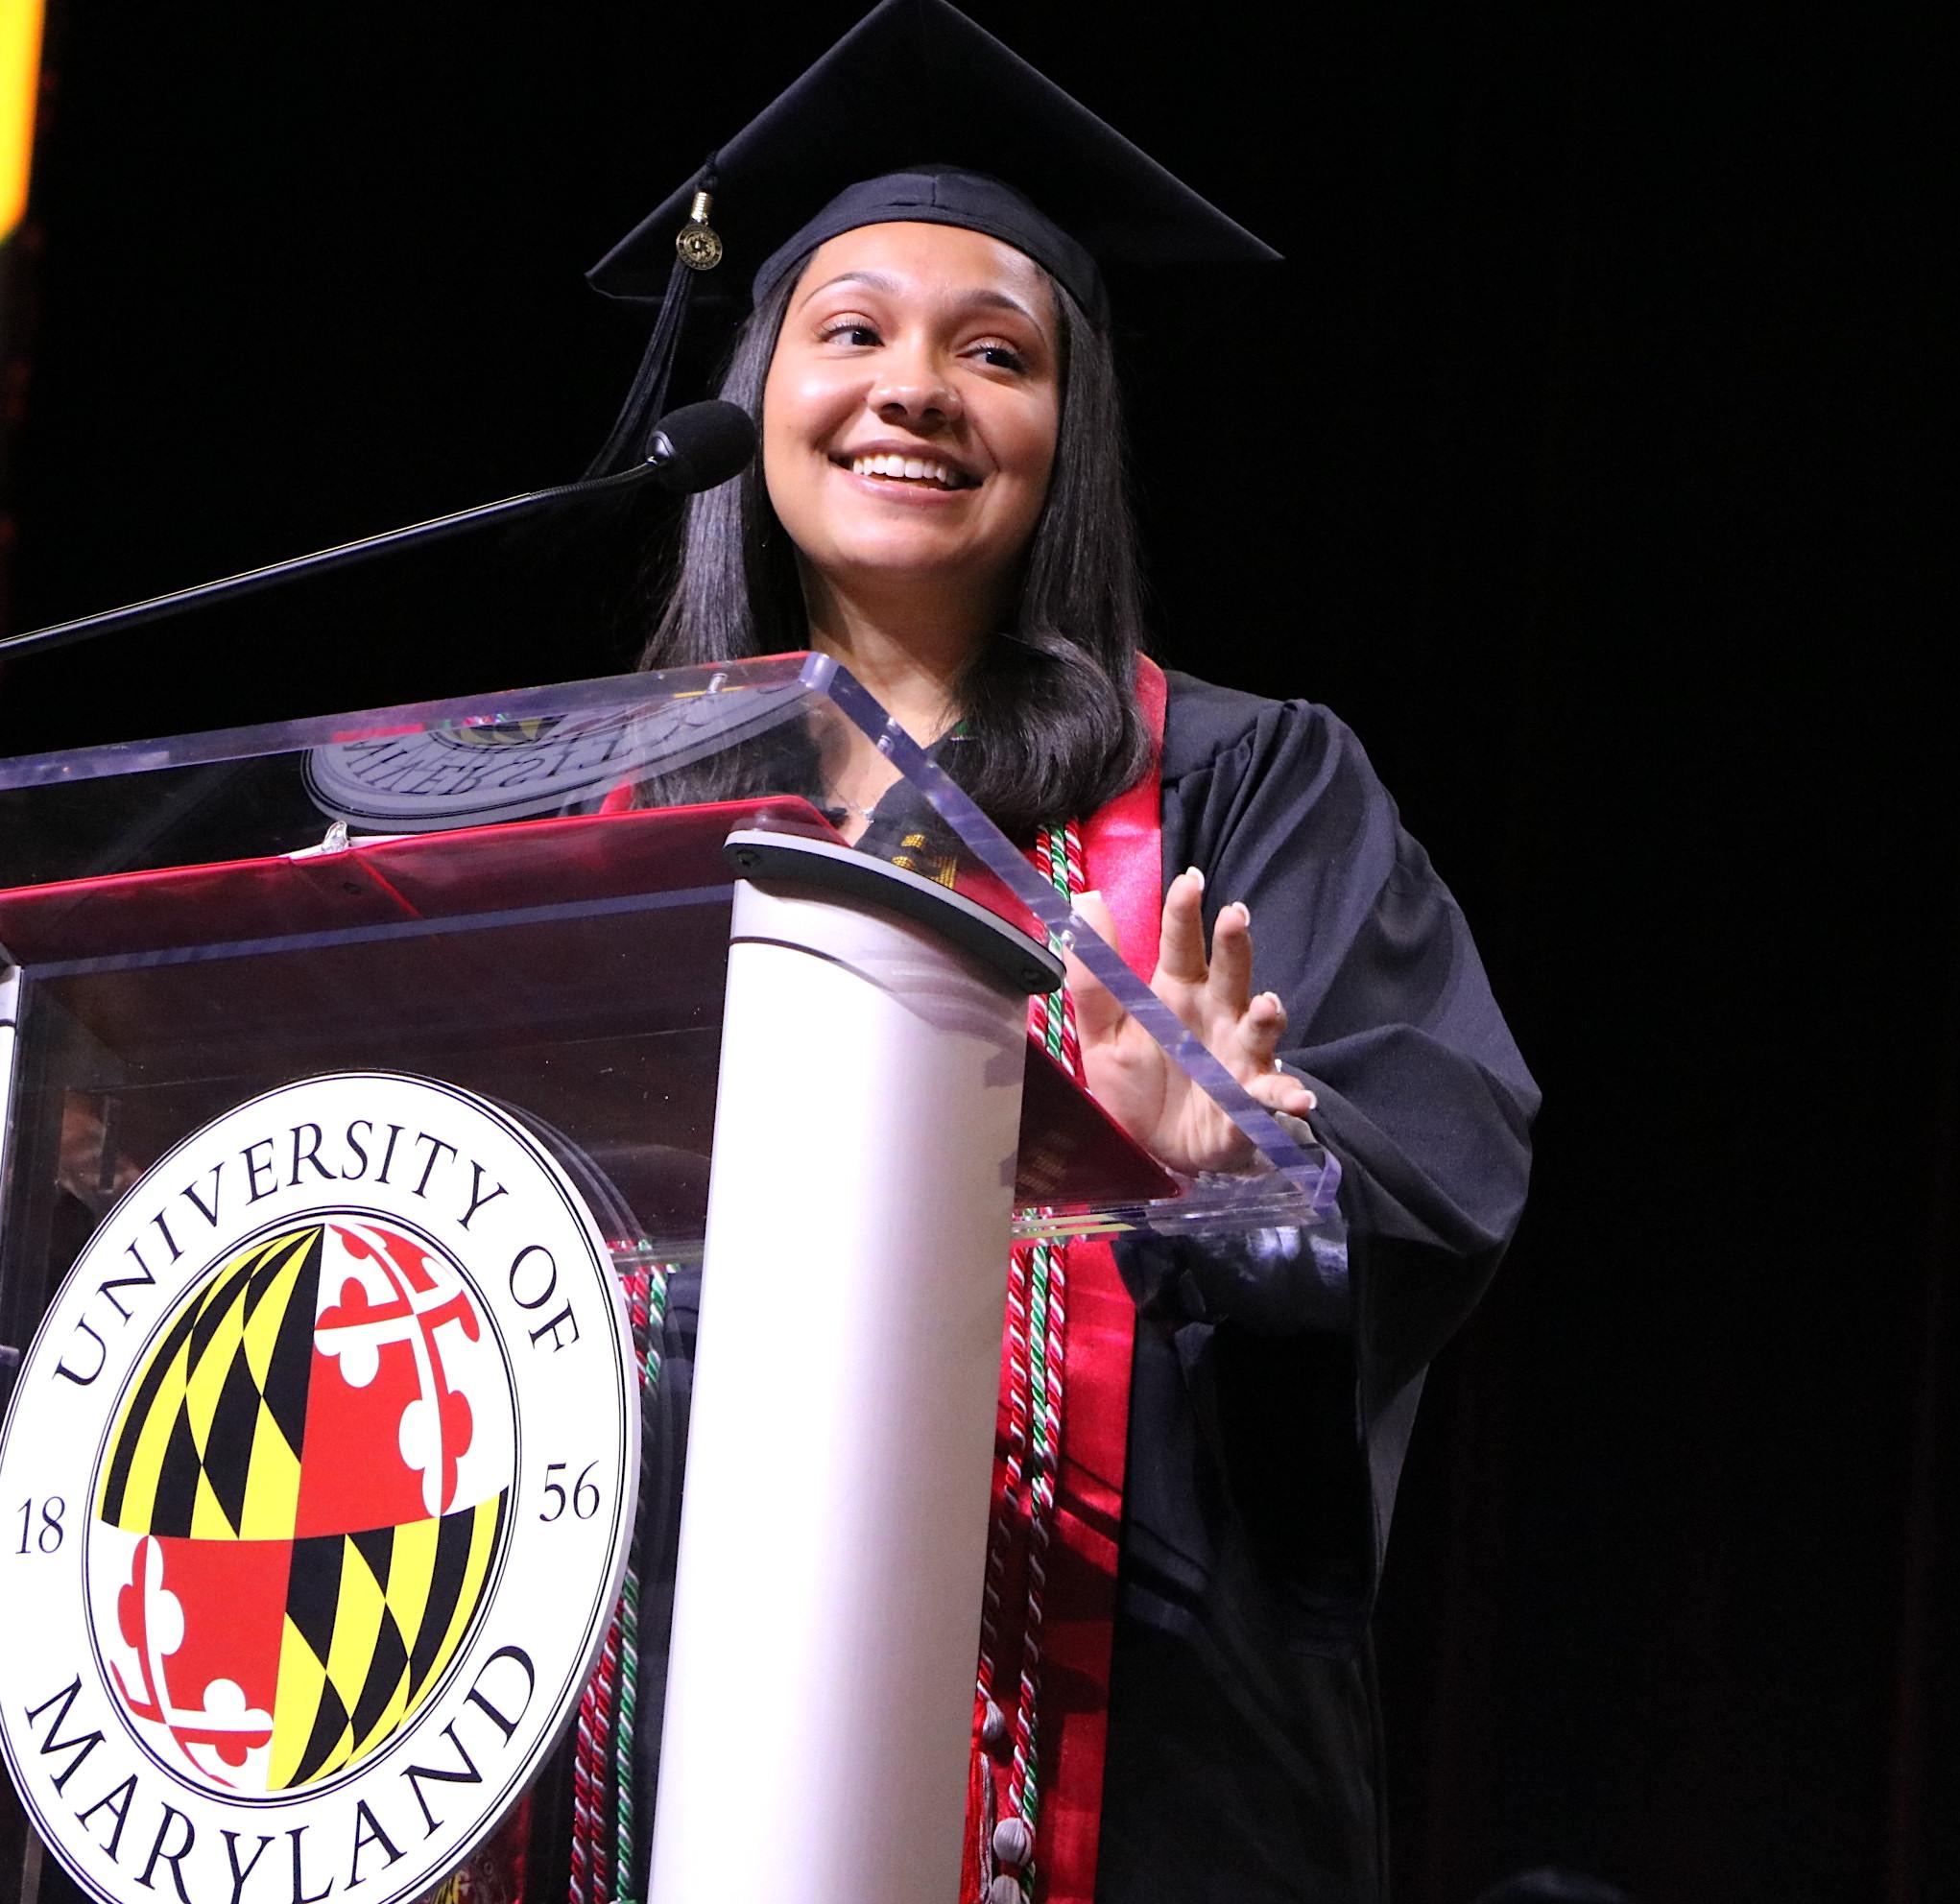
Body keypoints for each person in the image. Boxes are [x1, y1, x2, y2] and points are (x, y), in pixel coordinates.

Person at [591, 3, 1539, 1897]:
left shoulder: (1246, 783)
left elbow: (1437, 1163)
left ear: (1066, 431)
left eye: (994, 353)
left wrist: (1229, 1166)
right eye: (848, 330)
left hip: (1128, 1744)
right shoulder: (603, 833)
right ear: (753, 391)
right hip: (650, 1709)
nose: (913, 389)